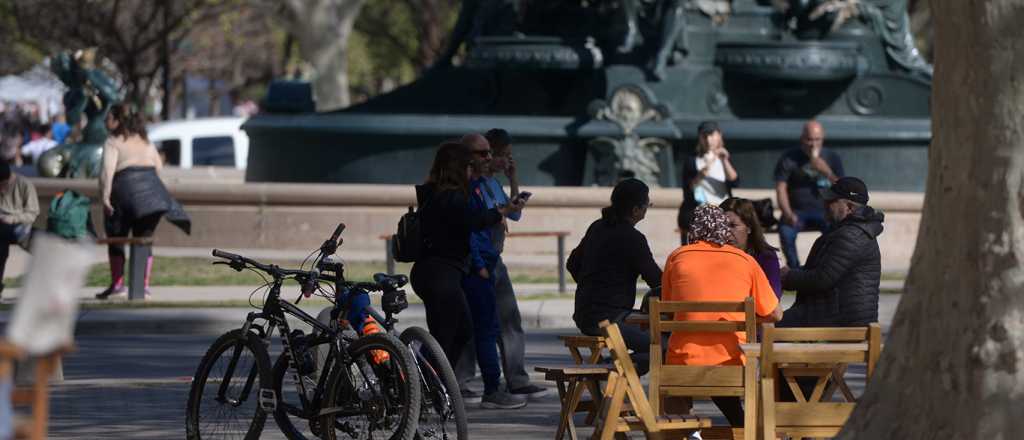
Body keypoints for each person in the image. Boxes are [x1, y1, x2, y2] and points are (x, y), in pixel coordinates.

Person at [409, 141, 524, 407]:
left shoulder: (442, 192)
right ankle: (422, 386)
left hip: (442, 273)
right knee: (448, 333)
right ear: (459, 167)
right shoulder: (447, 196)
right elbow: (471, 219)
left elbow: (470, 218)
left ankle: (424, 382)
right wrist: (500, 212)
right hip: (439, 274)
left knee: (457, 331)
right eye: (471, 164)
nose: (475, 168)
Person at [661, 204, 782, 428]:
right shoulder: (745, 261)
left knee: (673, 359)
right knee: (725, 355)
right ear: (723, 229)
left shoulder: (677, 257)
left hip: (683, 364)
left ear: (693, 228)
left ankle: (681, 433)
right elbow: (775, 314)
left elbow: (669, 308)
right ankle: (741, 427)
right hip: (733, 363)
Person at [456, 129, 548, 402]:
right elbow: (475, 224)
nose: (508, 160)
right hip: (479, 261)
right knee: (475, 324)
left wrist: (513, 180)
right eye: (503, 156)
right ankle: (464, 381)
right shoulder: (471, 186)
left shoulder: (495, 184)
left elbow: (514, 213)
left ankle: (516, 380)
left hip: (495, 258)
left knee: (509, 320)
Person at [569, 178, 660, 375]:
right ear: (636, 210)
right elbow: (656, 281)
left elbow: (572, 264)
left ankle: (613, 367)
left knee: (658, 343)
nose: (646, 209)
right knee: (667, 346)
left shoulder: (597, 227)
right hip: (611, 320)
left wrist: (593, 289)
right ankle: (611, 370)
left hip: (584, 314)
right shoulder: (633, 238)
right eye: (647, 205)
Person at [95, 104, 176, 299]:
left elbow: (108, 171)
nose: (105, 121)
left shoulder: (113, 141)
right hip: (151, 195)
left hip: (123, 194)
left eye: (108, 117)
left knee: (116, 238)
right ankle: (143, 287)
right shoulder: (146, 142)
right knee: (143, 240)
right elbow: (158, 167)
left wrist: (105, 197)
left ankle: (118, 286)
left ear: (116, 120)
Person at [779, 177, 884, 327]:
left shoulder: (851, 235)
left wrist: (787, 276)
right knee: (765, 325)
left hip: (840, 322)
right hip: (831, 315)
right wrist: (788, 274)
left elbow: (822, 279)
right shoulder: (847, 230)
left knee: (763, 329)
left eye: (831, 201)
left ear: (849, 207)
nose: (824, 205)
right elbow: (820, 271)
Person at [774, 120, 844, 268]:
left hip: (825, 212)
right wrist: (787, 213)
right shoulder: (789, 158)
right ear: (802, 139)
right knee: (786, 233)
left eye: (817, 139)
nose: (813, 144)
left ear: (823, 139)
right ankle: (795, 270)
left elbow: (843, 187)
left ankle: (825, 268)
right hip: (796, 211)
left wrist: (827, 172)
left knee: (836, 233)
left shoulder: (832, 157)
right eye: (809, 139)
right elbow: (781, 188)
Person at [678, 121, 738, 242]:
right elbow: (688, 188)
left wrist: (725, 160)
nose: (708, 139)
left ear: (719, 136)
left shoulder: (725, 157)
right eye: (704, 136)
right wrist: (701, 173)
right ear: (699, 138)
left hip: (722, 212)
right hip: (699, 212)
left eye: (711, 135)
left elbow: (735, 181)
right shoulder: (692, 160)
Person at [720, 197, 783, 299]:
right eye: (722, 226)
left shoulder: (766, 256)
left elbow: (773, 298)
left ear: (749, 227)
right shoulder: (713, 255)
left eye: (733, 225)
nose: (726, 233)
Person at [0, 161, 38, 299]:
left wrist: (11, 219)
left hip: (20, 226)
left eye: (3, 185)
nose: (1, 189)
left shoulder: (24, 184)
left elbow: (32, 213)